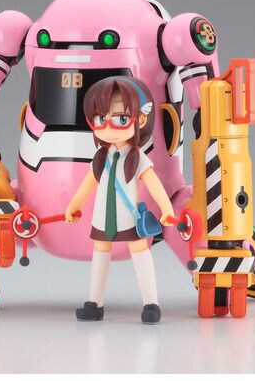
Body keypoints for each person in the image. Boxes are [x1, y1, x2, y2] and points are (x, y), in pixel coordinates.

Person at [65, 76, 174, 324]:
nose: (108, 128)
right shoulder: (101, 158)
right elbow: (87, 185)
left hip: (128, 217)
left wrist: (166, 209)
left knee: (140, 251)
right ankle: (94, 303)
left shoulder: (137, 158)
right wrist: (74, 205)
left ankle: (151, 303)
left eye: (121, 119)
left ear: (141, 119)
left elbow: (154, 184)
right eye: (99, 120)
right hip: (103, 217)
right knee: (100, 253)